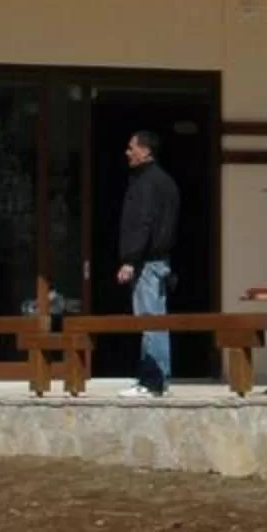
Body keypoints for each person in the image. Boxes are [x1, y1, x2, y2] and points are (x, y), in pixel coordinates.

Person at [114, 128, 179, 395]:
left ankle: (153, 381)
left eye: (132, 147)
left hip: (148, 263)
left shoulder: (148, 183)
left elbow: (143, 223)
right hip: (158, 260)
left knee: (150, 322)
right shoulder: (163, 181)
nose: (127, 153)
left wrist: (130, 259)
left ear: (145, 150)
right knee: (154, 321)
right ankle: (156, 378)